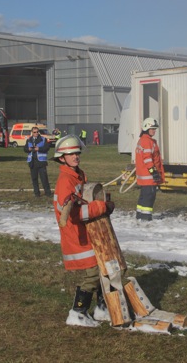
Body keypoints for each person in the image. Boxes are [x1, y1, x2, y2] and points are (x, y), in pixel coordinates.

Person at [52, 135, 115, 327]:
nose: (75, 156)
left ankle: (102, 309)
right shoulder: (65, 181)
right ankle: (78, 312)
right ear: (61, 158)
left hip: (88, 231)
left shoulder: (78, 174)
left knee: (103, 268)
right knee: (94, 273)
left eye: (77, 153)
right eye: (70, 154)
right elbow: (75, 214)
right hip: (76, 235)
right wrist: (102, 207)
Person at [135, 117, 164, 221]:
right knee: (149, 197)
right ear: (146, 128)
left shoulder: (142, 140)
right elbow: (147, 159)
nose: (154, 131)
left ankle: (139, 216)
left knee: (143, 197)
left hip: (143, 176)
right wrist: (154, 172)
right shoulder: (147, 142)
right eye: (153, 129)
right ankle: (146, 217)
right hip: (149, 177)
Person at [24, 126, 52, 197]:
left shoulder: (43, 139)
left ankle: (48, 193)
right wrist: (29, 149)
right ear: (32, 133)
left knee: (44, 179)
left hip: (41, 162)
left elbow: (47, 148)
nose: (36, 133)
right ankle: (37, 193)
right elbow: (25, 149)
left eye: (37, 132)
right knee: (34, 179)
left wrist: (39, 149)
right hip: (32, 162)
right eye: (34, 132)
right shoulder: (29, 140)